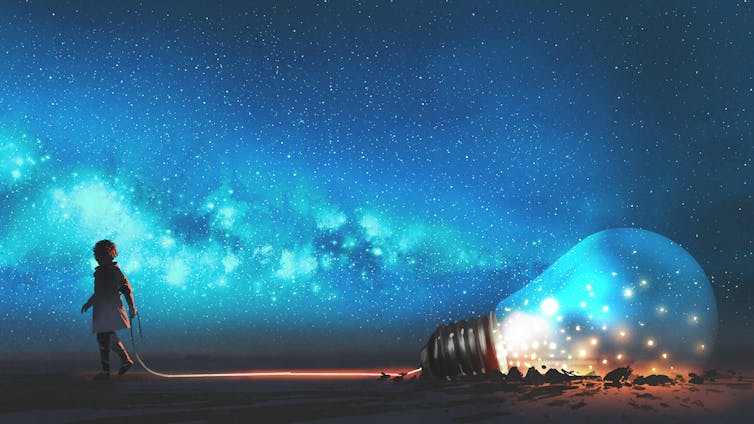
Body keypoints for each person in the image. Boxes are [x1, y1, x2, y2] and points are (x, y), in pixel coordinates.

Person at [81, 239, 137, 380]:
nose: (97, 259)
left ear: (109, 255)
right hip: (103, 309)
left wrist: (132, 307)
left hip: (110, 308)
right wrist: (89, 303)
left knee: (104, 336)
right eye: (97, 256)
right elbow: (99, 292)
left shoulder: (114, 271)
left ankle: (109, 370)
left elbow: (126, 289)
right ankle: (124, 361)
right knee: (106, 337)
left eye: (100, 256)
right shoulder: (102, 272)